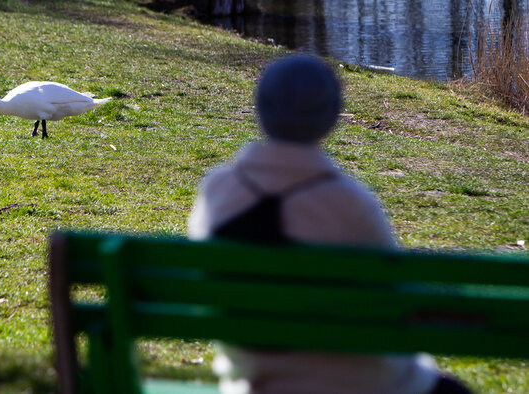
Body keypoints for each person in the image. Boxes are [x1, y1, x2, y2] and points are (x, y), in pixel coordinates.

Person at [187, 55, 470, 394]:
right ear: (332, 116)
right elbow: (397, 299)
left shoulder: (218, 189)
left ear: (260, 109)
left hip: (255, 382)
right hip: (358, 384)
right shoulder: (350, 202)